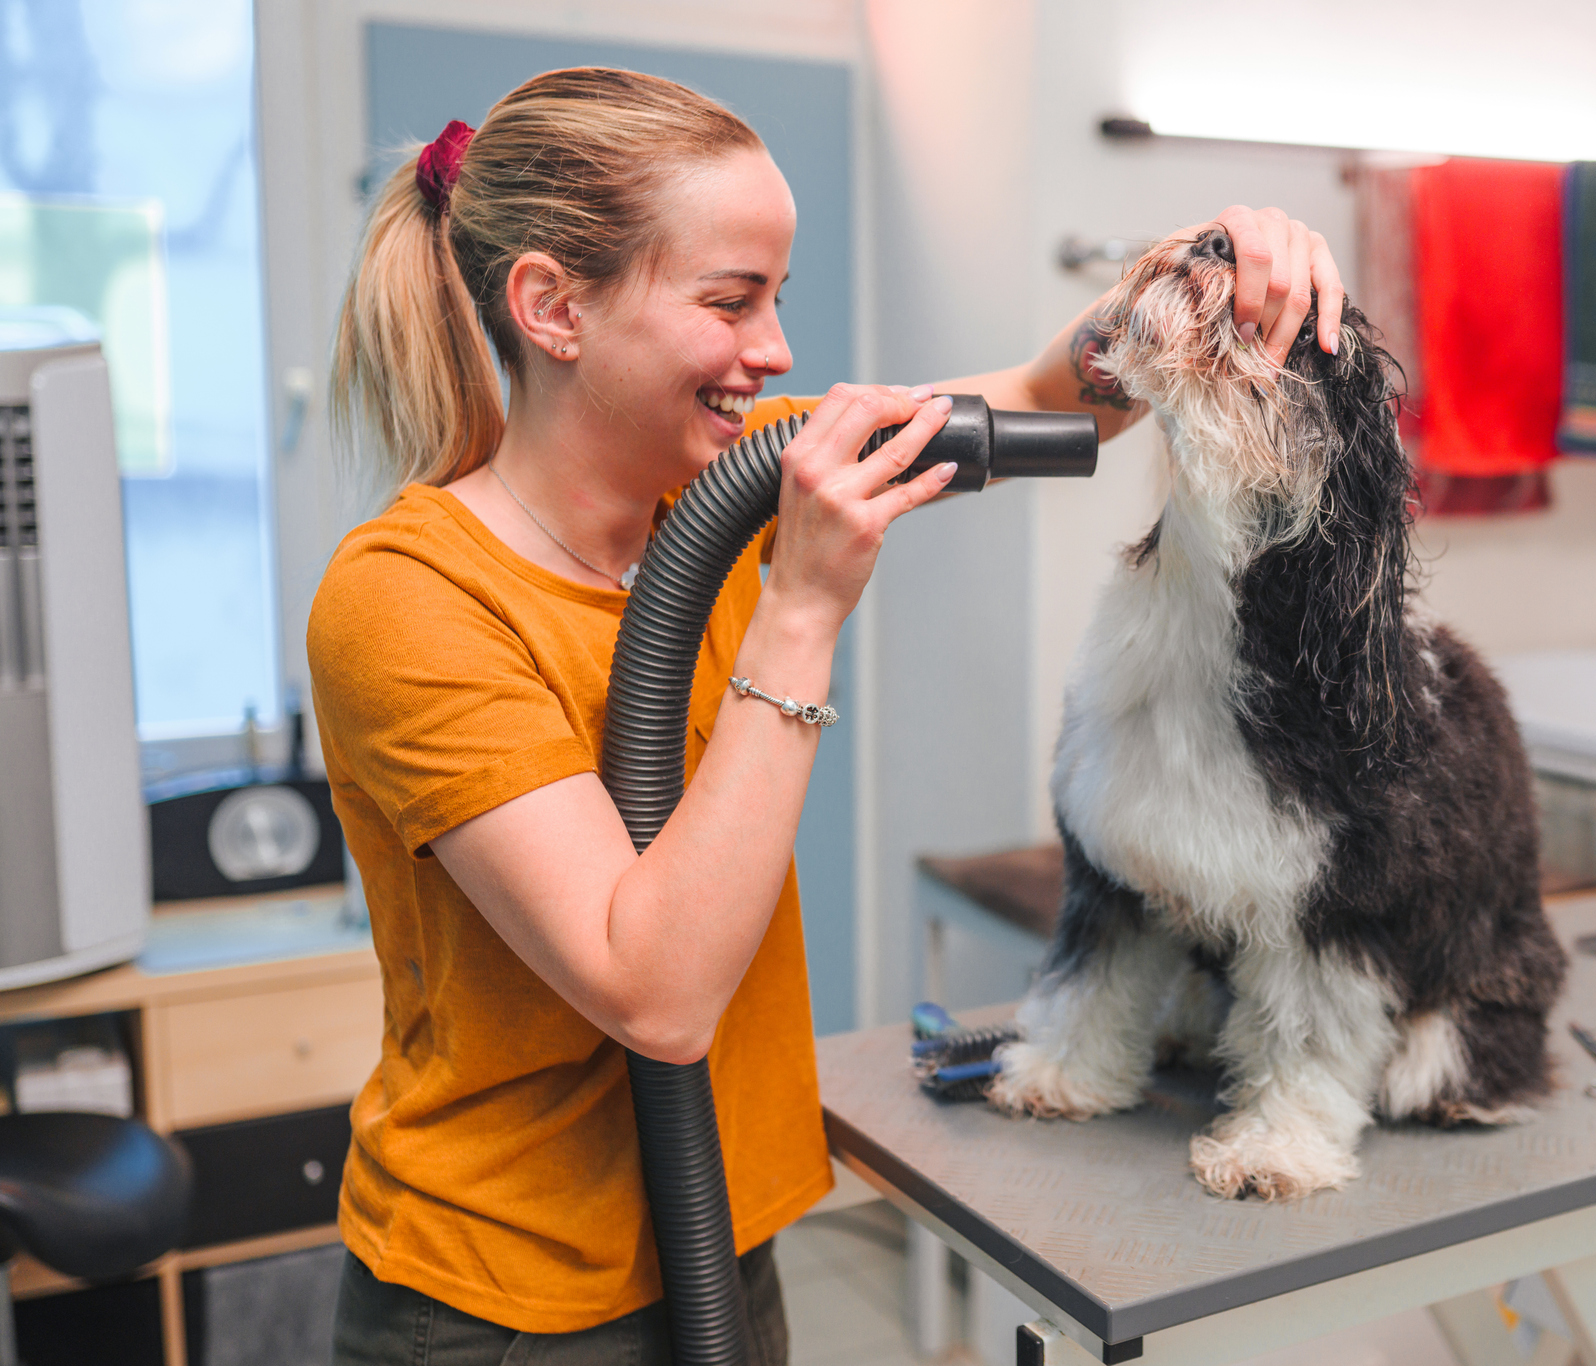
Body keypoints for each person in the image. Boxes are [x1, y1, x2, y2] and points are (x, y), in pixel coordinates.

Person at [312, 66, 1345, 1365]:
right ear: (551, 305)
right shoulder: (407, 598)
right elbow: (656, 993)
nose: (778, 352)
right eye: (730, 301)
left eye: (778, 298)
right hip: (504, 1300)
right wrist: (798, 610)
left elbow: (1062, 392)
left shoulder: (747, 479)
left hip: (722, 1246)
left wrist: (1201, 272)